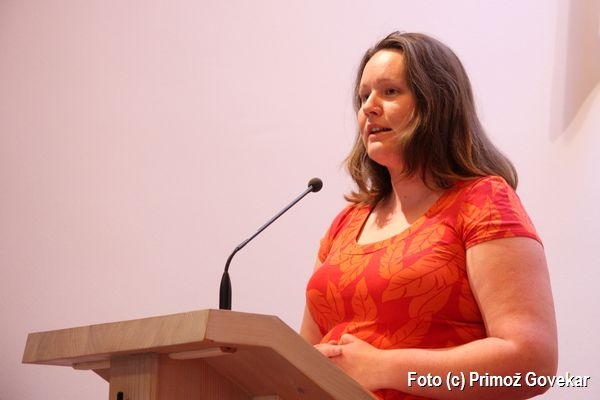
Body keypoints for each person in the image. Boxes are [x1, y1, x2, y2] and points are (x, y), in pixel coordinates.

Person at [300, 32, 558, 400]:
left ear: (437, 103)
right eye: (364, 96)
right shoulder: (347, 222)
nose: (369, 107)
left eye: (390, 92)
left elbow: (532, 364)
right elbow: (304, 355)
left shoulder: (482, 201)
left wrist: (382, 368)